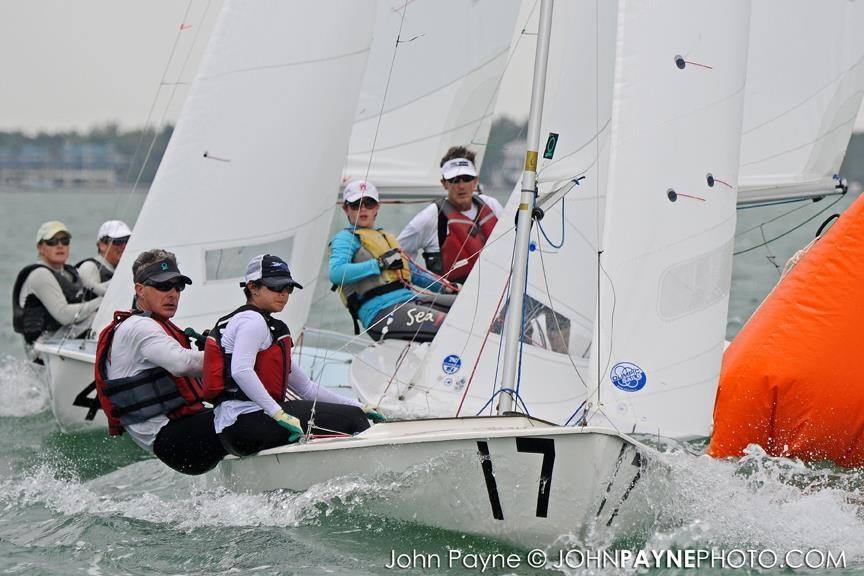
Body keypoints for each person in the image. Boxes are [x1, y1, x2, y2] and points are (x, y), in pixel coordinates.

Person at [203, 254, 381, 457]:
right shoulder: (253, 321)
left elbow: (305, 388)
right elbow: (241, 371)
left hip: (233, 432)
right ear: (252, 287)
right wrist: (277, 413)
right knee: (353, 419)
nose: (283, 294)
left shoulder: (248, 322)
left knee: (353, 412)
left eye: (288, 288)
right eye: (275, 287)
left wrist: (360, 406)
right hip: (249, 423)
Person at [94, 249, 226, 475]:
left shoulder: (152, 325)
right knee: (266, 418)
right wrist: (237, 357)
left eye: (178, 287)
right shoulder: (139, 327)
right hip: (176, 440)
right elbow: (182, 364)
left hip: (182, 434)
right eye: (163, 286)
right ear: (139, 290)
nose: (173, 293)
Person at [329, 180, 457, 342]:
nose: (363, 209)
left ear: (377, 207)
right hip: (381, 312)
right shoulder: (345, 239)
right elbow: (336, 273)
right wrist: (379, 265)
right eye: (356, 204)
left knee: (467, 306)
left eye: (369, 203)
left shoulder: (386, 237)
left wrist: (446, 287)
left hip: (409, 301)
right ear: (345, 208)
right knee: (452, 328)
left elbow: (413, 271)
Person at [397, 146, 503, 283]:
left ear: (475, 181)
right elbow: (398, 256)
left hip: (494, 291)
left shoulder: (492, 205)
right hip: (451, 298)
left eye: (466, 178)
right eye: (454, 180)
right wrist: (430, 284)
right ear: (444, 184)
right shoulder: (429, 217)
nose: (461, 185)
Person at [12, 221, 103, 361]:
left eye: (64, 240)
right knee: (95, 317)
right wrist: (100, 302)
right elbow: (64, 315)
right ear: (40, 247)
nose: (60, 245)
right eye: (52, 241)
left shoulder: (69, 272)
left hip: (63, 342)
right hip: (41, 352)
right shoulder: (40, 275)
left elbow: (102, 290)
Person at [76, 219, 132, 294]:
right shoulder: (90, 267)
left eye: (128, 240)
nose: (124, 246)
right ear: (102, 245)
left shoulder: (120, 269)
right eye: (118, 241)